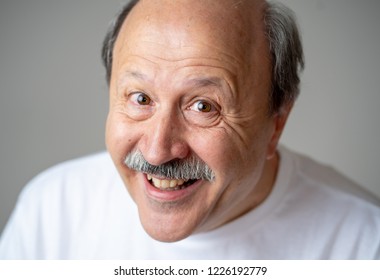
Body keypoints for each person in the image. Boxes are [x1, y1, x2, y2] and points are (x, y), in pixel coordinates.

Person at [0, 0, 379, 259]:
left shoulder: (363, 244)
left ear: (276, 123)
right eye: (140, 98)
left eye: (203, 106)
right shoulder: (50, 213)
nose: (156, 150)